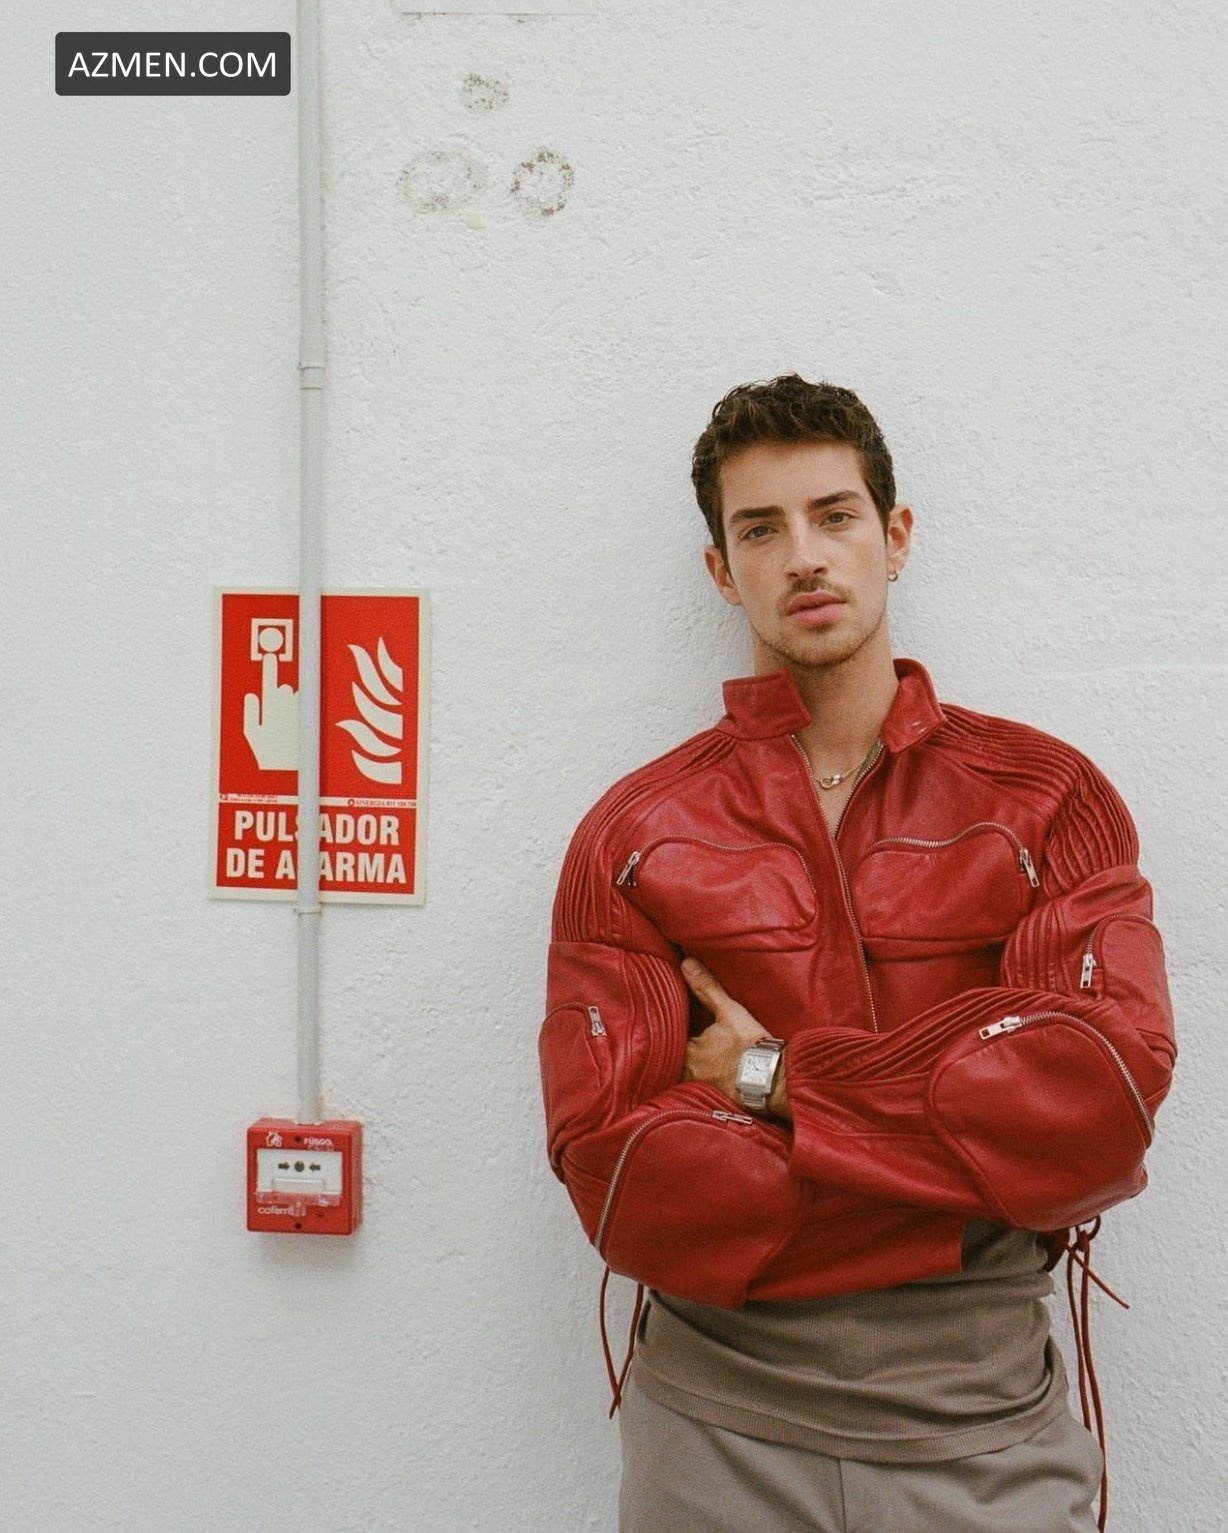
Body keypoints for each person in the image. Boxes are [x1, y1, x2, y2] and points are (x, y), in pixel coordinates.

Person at [538, 374, 1175, 1533]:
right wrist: (966, 1153)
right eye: (760, 530)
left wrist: (769, 1081)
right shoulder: (634, 833)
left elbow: (1098, 1113)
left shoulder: (1046, 800)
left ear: (895, 535)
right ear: (720, 570)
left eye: (833, 516)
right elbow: (618, 1185)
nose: (803, 557)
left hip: (981, 1420)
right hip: (713, 1428)